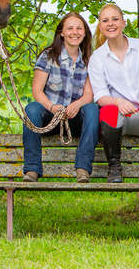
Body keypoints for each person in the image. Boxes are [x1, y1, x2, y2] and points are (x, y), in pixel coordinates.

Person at [87, 3, 139, 183]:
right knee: (107, 111)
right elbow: (100, 96)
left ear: (124, 22)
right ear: (100, 26)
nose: (111, 24)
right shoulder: (97, 58)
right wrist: (118, 102)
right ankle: (114, 168)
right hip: (118, 119)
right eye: (105, 20)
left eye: (115, 19)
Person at [23, 12, 100, 183]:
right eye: (70, 28)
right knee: (31, 109)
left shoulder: (89, 60)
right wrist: (52, 107)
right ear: (62, 33)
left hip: (74, 119)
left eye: (79, 28)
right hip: (51, 116)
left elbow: (89, 95)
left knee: (93, 109)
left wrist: (76, 105)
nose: (75, 32)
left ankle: (83, 168)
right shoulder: (48, 56)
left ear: (85, 32)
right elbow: (37, 90)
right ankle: (32, 169)